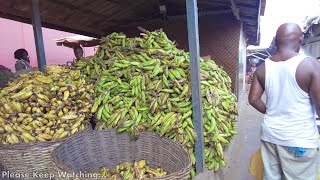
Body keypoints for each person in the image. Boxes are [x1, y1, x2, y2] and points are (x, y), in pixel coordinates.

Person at [248, 23, 320, 180]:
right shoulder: (311, 65)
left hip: (270, 136)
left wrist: (271, 111)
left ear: (275, 41)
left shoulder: (262, 68)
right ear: (300, 39)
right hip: (299, 141)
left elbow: (253, 99)